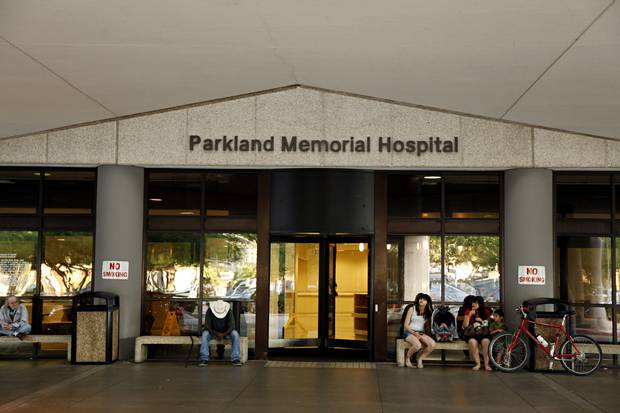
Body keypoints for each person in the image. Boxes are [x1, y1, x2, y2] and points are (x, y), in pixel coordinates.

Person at [199, 300, 241, 366]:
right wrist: (217, 334)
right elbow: (207, 326)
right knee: (205, 334)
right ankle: (204, 358)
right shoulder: (209, 311)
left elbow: (232, 326)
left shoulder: (229, 311)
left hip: (226, 332)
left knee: (235, 334)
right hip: (212, 332)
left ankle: (235, 359)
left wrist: (223, 334)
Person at [401, 293, 436, 368]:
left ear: (427, 302)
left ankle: (419, 359)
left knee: (432, 344)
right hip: (409, 332)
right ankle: (407, 358)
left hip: (420, 333)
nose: (421, 300)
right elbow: (406, 325)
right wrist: (414, 333)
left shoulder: (428, 312)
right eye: (420, 298)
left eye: (424, 299)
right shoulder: (412, 309)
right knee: (417, 345)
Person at [462, 296, 492, 371]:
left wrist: (481, 321)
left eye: (475, 302)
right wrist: (469, 315)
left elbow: (489, 324)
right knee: (472, 342)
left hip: (483, 333)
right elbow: (464, 326)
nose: (473, 304)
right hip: (472, 334)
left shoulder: (485, 311)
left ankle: (486, 365)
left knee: (486, 342)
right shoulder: (468, 310)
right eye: (472, 302)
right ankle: (478, 364)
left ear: (480, 303)